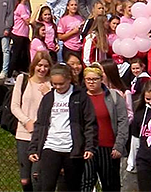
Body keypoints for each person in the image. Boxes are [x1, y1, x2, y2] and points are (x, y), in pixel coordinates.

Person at [28, 63, 98, 192]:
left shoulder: (81, 96)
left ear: (69, 79)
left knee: (71, 187)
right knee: (46, 186)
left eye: (61, 84)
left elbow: (90, 123)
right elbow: (40, 124)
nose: (58, 87)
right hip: (50, 147)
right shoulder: (48, 98)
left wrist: (89, 146)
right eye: (54, 84)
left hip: (72, 150)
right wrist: (33, 148)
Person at [81, 64, 128, 192]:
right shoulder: (79, 98)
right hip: (86, 148)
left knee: (110, 184)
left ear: (101, 79)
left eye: (95, 79)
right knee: (86, 182)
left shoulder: (113, 96)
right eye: (88, 79)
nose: (91, 82)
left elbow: (123, 121)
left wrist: (119, 145)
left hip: (108, 147)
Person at [11, 51, 52, 192]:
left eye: (46, 66)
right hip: (24, 134)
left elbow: (56, 107)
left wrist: (49, 93)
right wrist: (26, 121)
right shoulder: (23, 80)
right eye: (39, 65)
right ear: (34, 65)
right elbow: (15, 106)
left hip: (42, 137)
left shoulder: (51, 84)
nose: (42, 69)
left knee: (37, 176)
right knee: (25, 179)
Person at [9, 0, 32, 77]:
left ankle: (21, 70)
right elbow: (27, 21)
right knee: (16, 54)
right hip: (18, 33)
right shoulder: (21, 7)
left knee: (24, 53)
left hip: (24, 34)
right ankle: (9, 74)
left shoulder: (26, 6)